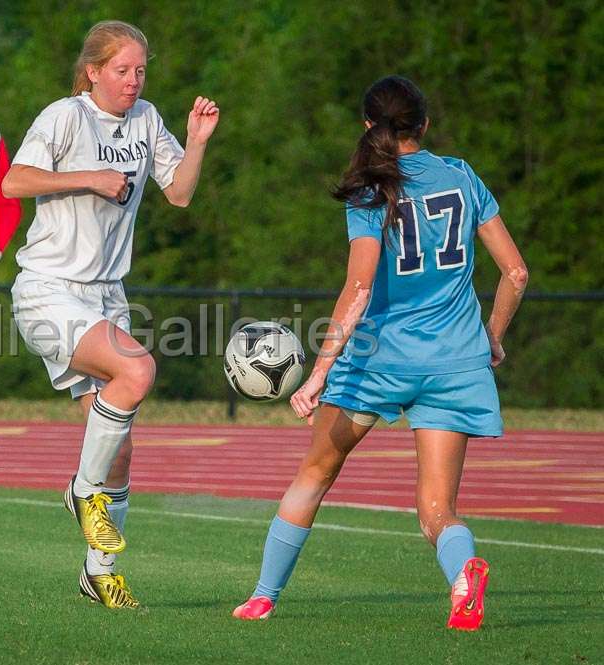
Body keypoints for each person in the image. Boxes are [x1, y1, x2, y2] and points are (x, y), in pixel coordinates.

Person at [232, 76, 527, 631]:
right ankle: (464, 574)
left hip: (378, 364)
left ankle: (264, 596)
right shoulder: (462, 176)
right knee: (436, 511)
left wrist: (317, 372)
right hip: (457, 365)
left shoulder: (371, 191)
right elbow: (515, 272)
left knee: (316, 472)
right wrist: (492, 335)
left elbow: (360, 290)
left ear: (369, 126)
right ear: (425, 126)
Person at [1, 20, 219, 609]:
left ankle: (100, 572)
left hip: (106, 296)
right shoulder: (64, 116)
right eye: (122, 69)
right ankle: (81, 491)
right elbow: (14, 180)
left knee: (120, 447)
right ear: (93, 70)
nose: (133, 79)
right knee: (138, 371)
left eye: (140, 69)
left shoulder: (147, 119)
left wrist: (196, 141)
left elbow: (178, 192)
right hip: (48, 288)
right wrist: (92, 178)